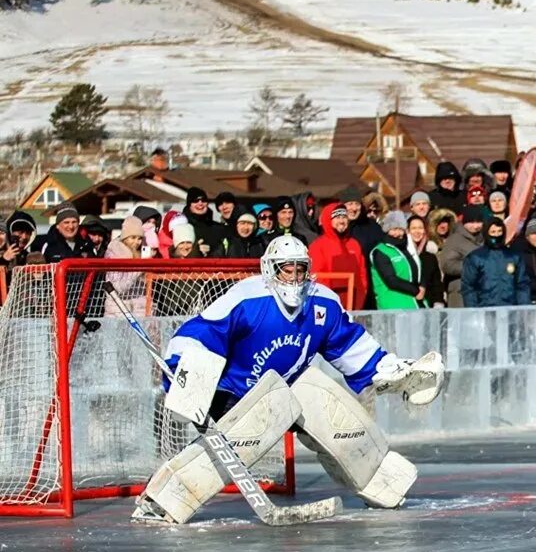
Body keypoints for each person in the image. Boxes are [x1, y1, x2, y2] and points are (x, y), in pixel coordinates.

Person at [131, 235, 444, 525]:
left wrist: (392, 370)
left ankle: (381, 482)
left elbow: (351, 346)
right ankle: (164, 500)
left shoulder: (322, 302)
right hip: (231, 394)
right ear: (271, 270)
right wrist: (183, 374)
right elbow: (199, 334)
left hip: (288, 386)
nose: (294, 277)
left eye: (299, 270)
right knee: (274, 404)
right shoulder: (247, 298)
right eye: (286, 270)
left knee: (320, 395)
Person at [308, 203, 369, 310]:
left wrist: (361, 296)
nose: (341, 221)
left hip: (354, 307)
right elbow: (317, 277)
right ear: (328, 220)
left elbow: (362, 274)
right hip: (329, 307)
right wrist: (330, 303)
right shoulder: (318, 246)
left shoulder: (354, 244)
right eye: (337, 217)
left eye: (344, 217)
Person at [461, 218, 531, 308]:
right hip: (484, 311)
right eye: (493, 232)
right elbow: (469, 287)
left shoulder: (513, 256)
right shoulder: (476, 257)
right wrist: (473, 312)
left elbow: (522, 285)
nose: (497, 235)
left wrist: (524, 310)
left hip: (510, 310)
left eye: (499, 231)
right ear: (486, 233)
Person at [369, 211, 425, 309]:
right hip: (392, 303)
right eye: (394, 229)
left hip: (412, 302)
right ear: (387, 230)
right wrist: (415, 290)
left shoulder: (406, 247)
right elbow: (391, 280)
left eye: (400, 229)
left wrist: (422, 286)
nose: (397, 233)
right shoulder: (380, 251)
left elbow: (418, 269)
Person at [439, 204, 486, 308]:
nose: (476, 226)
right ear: (464, 222)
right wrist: (472, 266)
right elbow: (447, 264)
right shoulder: (455, 240)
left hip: (481, 291)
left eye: (478, 222)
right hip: (460, 291)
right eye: (472, 222)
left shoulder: (484, 238)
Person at [182, 187, 225, 258]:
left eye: (204, 200)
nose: (200, 203)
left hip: (215, 266)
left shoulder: (218, 227)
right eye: (195, 201)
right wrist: (195, 250)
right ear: (189, 205)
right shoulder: (183, 227)